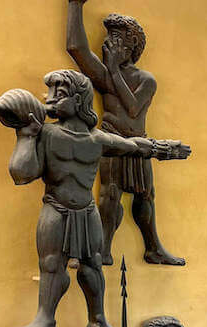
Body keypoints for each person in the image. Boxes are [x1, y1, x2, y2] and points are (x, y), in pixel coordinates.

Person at [0, 69, 189, 327]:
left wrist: (164, 149)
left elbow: (131, 146)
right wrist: (26, 135)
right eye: (49, 94)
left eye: (58, 95)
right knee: (51, 265)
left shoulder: (96, 139)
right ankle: (45, 319)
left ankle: (98, 320)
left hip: (87, 212)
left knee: (93, 265)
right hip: (56, 208)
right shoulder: (46, 134)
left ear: (78, 100)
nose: (49, 100)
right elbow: (21, 174)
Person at [66, 0, 187, 266]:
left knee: (146, 196)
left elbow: (132, 108)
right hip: (112, 141)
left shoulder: (145, 79)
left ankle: (153, 247)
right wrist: (75, 6)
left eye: (116, 38)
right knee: (110, 194)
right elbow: (76, 48)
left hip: (139, 143)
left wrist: (112, 69)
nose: (108, 44)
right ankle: (101, 249)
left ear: (131, 46)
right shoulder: (107, 77)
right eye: (108, 37)